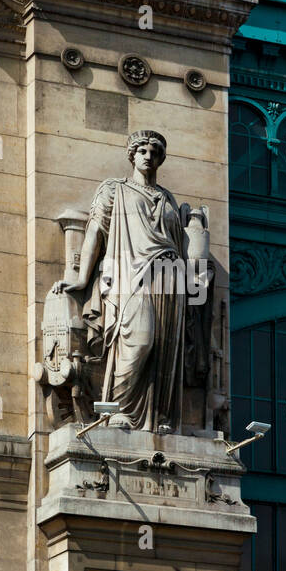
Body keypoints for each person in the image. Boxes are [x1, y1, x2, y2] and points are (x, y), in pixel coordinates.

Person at [53, 130, 203, 433]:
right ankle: (119, 410)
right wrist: (82, 278)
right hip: (131, 276)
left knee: (163, 349)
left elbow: (181, 244)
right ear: (132, 155)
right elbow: (96, 232)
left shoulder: (167, 198)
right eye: (143, 151)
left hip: (169, 280)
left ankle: (157, 418)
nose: (149, 156)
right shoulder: (114, 189)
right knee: (139, 341)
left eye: (155, 152)